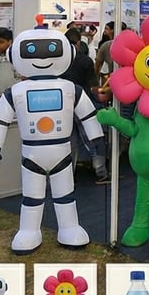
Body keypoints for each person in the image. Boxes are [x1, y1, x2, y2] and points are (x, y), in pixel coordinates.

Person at [63, 28, 109, 183]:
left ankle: (68, 174)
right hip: (84, 104)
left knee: (70, 140)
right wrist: (102, 98)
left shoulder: (59, 61)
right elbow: (93, 87)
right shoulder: (85, 60)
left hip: (64, 104)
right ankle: (101, 172)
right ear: (78, 43)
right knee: (95, 137)